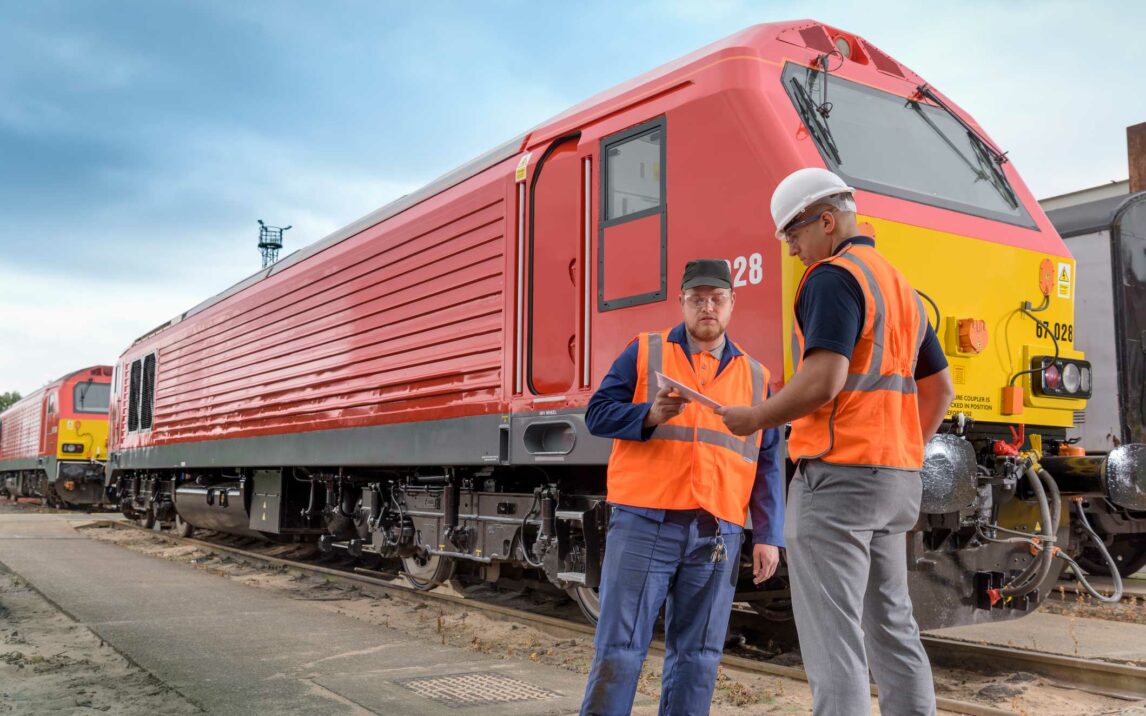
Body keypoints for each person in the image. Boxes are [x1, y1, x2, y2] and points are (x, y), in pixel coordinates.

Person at [719, 168, 955, 716]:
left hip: (838, 480)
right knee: (893, 627)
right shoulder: (899, 286)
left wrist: (755, 417)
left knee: (835, 642)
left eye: (794, 234)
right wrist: (904, 450)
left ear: (827, 220)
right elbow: (939, 389)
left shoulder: (832, 277)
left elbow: (823, 378)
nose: (792, 248)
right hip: (895, 482)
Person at [579, 259, 785, 716]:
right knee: (620, 647)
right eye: (697, 299)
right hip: (644, 522)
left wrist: (768, 535)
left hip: (718, 533)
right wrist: (648, 416)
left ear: (732, 304)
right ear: (682, 303)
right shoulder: (644, 352)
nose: (706, 307)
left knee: (700, 657)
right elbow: (597, 414)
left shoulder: (756, 376)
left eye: (716, 299)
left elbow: (768, 461)